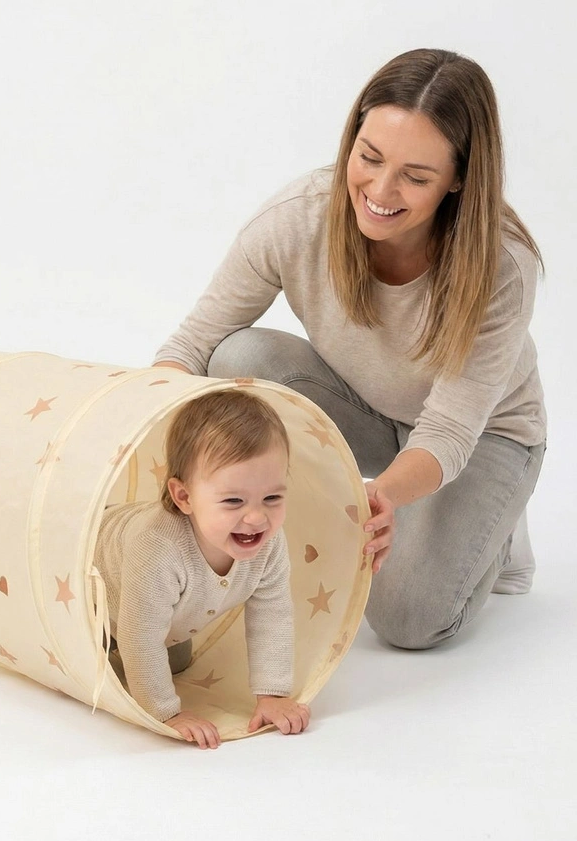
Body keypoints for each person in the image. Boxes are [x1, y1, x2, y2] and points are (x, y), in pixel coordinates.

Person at [155, 48, 546, 652]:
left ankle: (496, 529)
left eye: (416, 177)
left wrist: (383, 495)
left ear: (459, 178)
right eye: (369, 157)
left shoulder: (503, 267)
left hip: (482, 436)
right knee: (236, 360)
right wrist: (148, 435)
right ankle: (429, 516)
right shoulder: (298, 219)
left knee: (409, 621)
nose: (380, 190)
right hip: (371, 411)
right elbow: (193, 342)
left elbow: (448, 430)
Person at [95, 389, 309, 748]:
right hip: (86, 575)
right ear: (184, 497)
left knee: (176, 661)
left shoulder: (268, 542)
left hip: (159, 612)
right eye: (233, 500)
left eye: (272, 497)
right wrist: (166, 713)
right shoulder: (157, 550)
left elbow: (273, 612)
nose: (256, 518)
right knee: (97, 659)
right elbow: (140, 636)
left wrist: (272, 694)